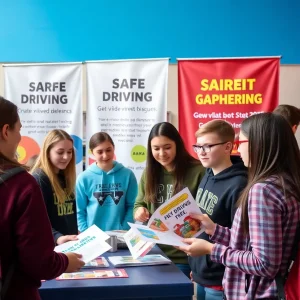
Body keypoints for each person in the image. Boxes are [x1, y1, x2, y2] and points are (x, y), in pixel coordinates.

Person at [178, 113, 300, 300]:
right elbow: (253, 244)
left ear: (259, 145)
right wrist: (215, 230)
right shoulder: (284, 182)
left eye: (240, 144)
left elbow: (264, 263)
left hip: (258, 293)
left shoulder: (264, 191)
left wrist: (211, 250)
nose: (238, 150)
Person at [0, 96, 84, 300]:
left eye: (69, 152)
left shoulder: (67, 178)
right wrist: (64, 261)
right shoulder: (23, 184)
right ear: (5, 131)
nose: (20, 137)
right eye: (19, 129)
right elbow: (38, 261)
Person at [133, 122, 206, 277]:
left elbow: (207, 217)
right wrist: (139, 211)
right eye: (156, 148)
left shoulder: (198, 170)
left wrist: (198, 263)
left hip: (184, 256)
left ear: (177, 145)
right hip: (152, 252)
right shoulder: (149, 173)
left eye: (167, 147)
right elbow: (139, 204)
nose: (162, 153)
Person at [190, 120, 248, 300]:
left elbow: (241, 240)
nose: (201, 152)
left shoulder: (240, 184)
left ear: (228, 146)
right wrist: (197, 267)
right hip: (201, 274)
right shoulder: (207, 173)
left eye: (207, 146)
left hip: (221, 280)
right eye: (198, 146)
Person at [76, 132, 137, 232]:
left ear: (114, 148)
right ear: (92, 152)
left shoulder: (128, 175)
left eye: (109, 150)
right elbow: (80, 211)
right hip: (93, 238)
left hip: (121, 235)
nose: (105, 155)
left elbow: (132, 206)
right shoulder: (84, 178)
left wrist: (124, 229)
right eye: (100, 152)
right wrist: (86, 233)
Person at [31, 130, 78, 245]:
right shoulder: (39, 179)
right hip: (50, 249)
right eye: (60, 152)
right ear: (47, 152)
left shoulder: (65, 177)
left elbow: (68, 216)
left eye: (69, 152)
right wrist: (57, 237)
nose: (66, 157)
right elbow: (35, 220)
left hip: (68, 246)